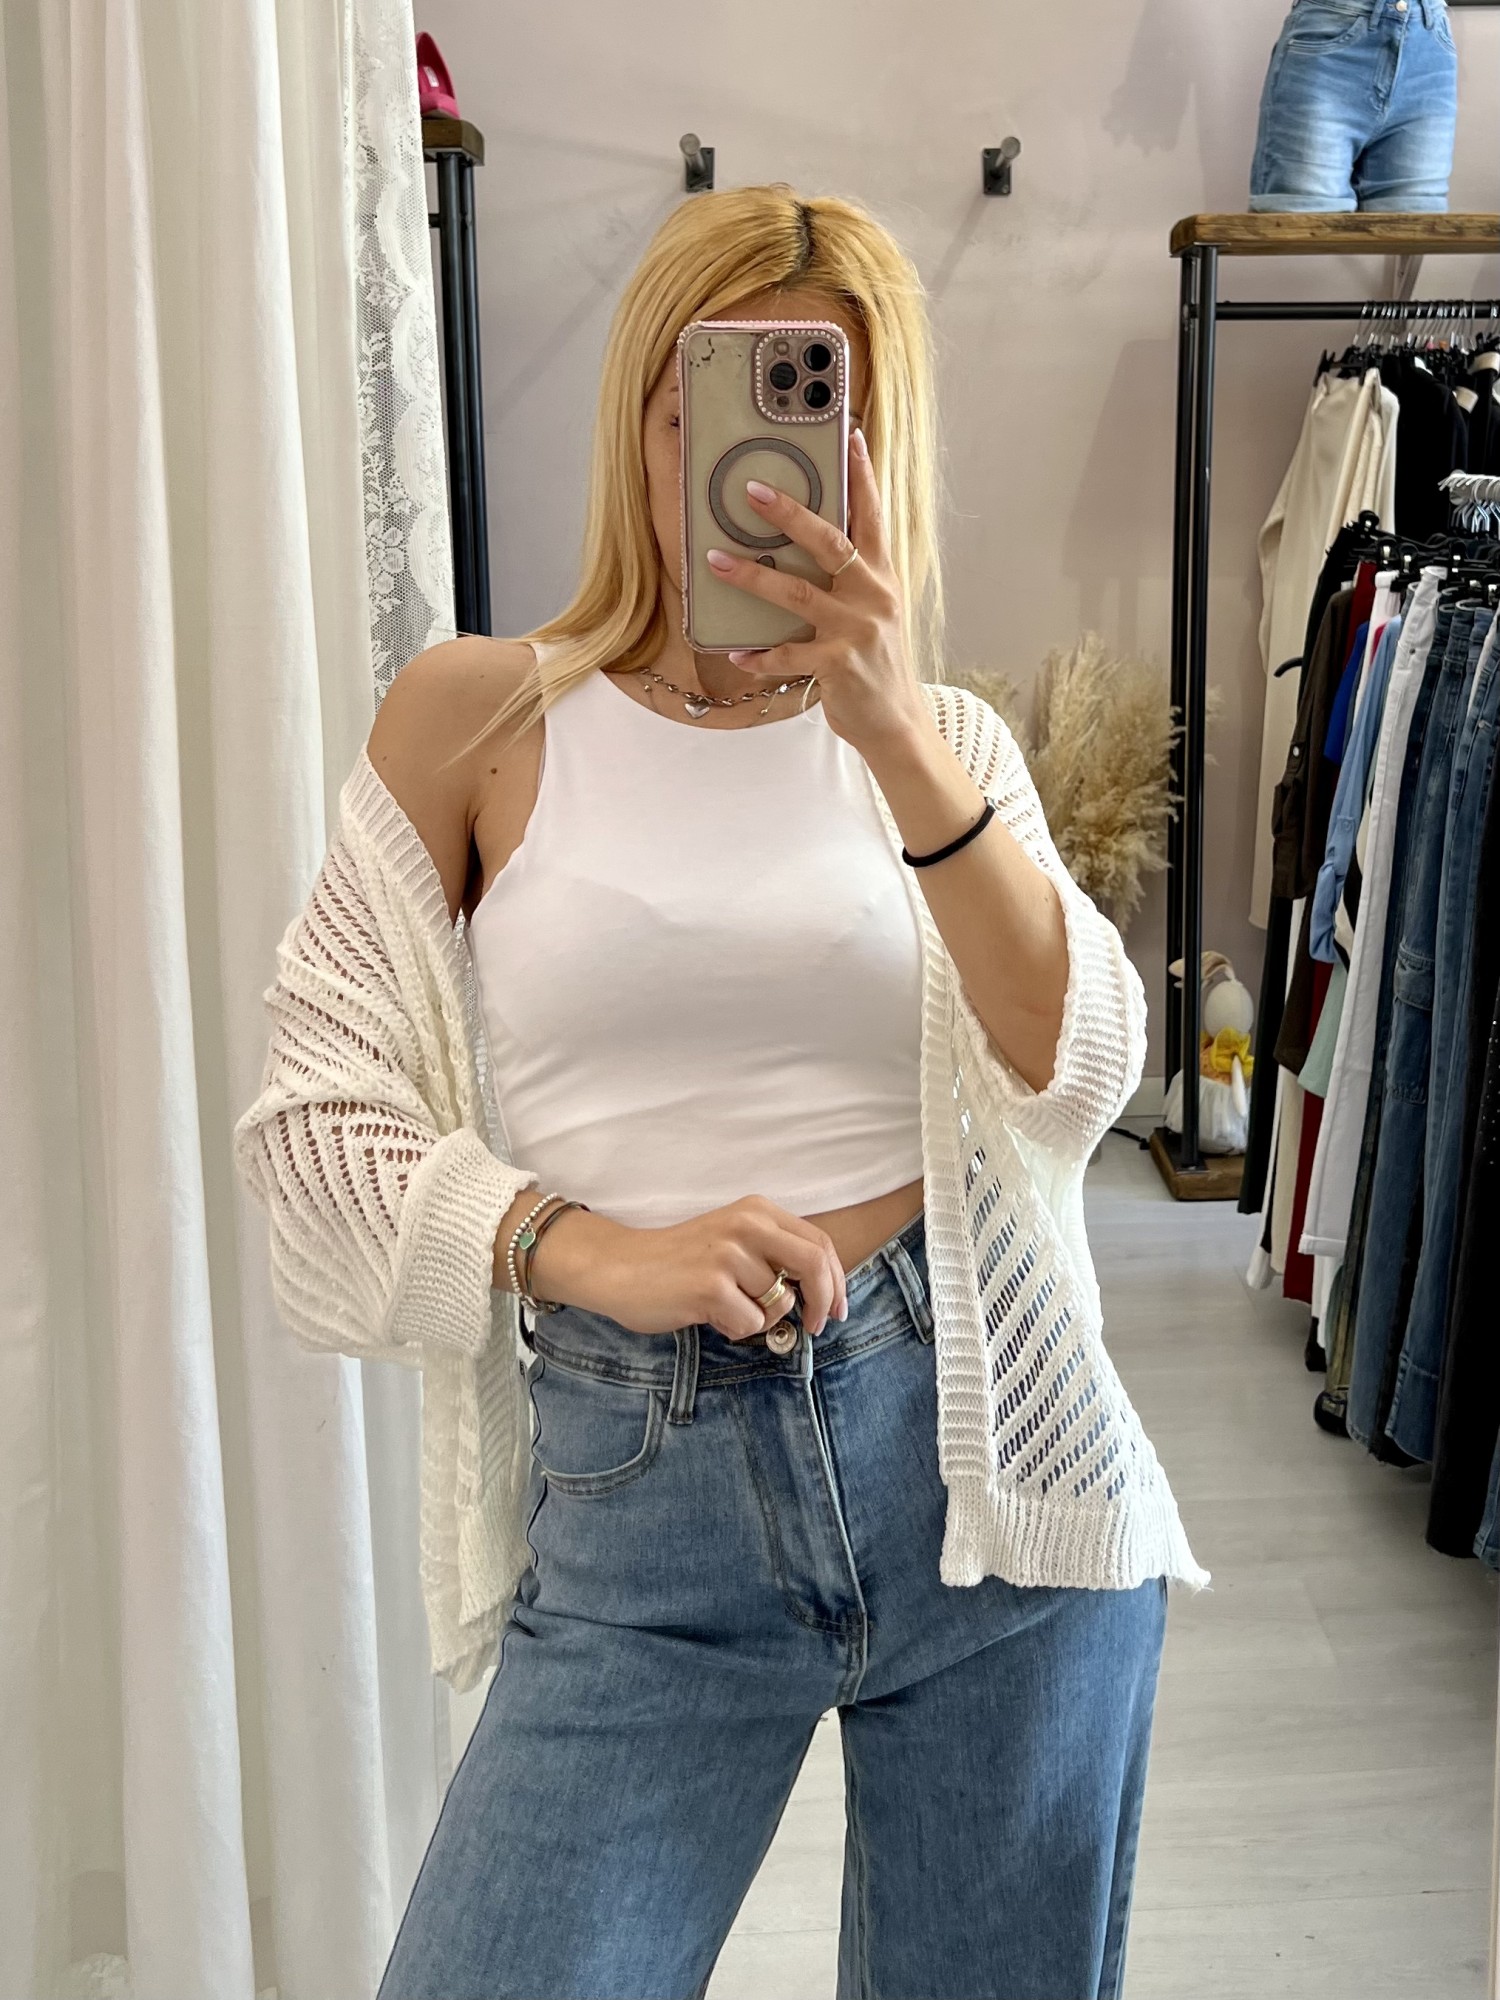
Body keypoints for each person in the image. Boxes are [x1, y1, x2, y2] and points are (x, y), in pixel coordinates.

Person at [234, 183, 1204, 2000]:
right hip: (643, 1501)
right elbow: (312, 1134)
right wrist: (581, 1246)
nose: (752, 469)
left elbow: (1080, 1070)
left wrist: (892, 733)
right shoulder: (477, 719)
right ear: (637, 415)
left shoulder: (944, 749)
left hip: (988, 1485)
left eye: (810, 412)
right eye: (703, 402)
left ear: (872, 453)